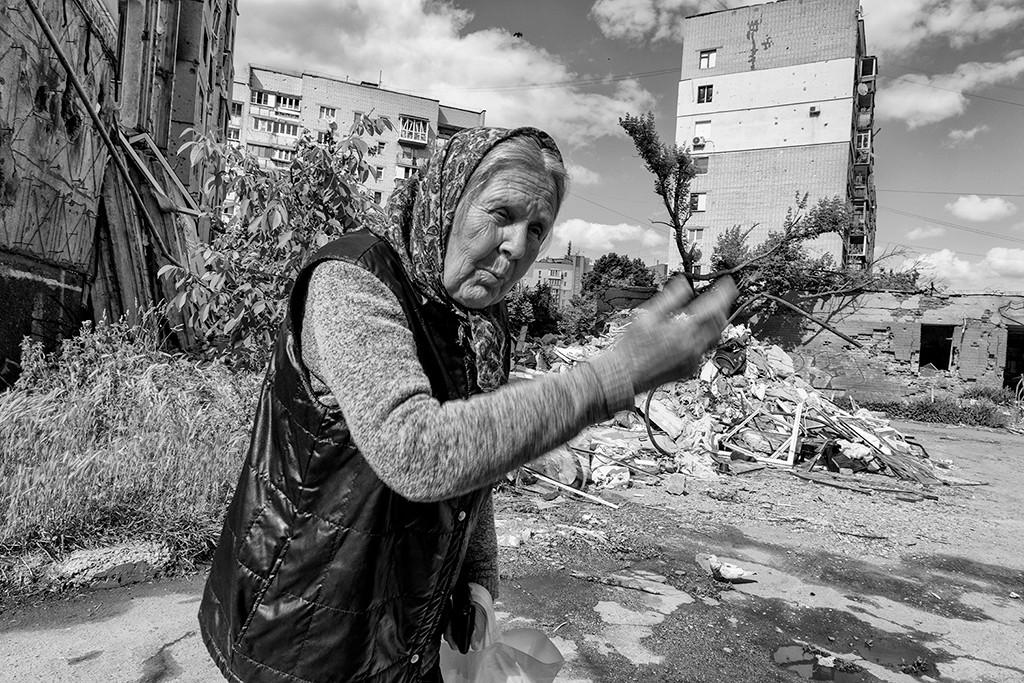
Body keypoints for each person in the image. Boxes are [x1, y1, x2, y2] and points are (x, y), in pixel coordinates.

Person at [198, 126, 737, 682]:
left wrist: (478, 583)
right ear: (448, 200)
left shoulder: (479, 324)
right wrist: (611, 379)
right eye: (500, 213)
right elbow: (416, 450)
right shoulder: (352, 283)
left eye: (537, 229)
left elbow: (472, 466)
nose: (516, 248)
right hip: (298, 624)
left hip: (402, 625)